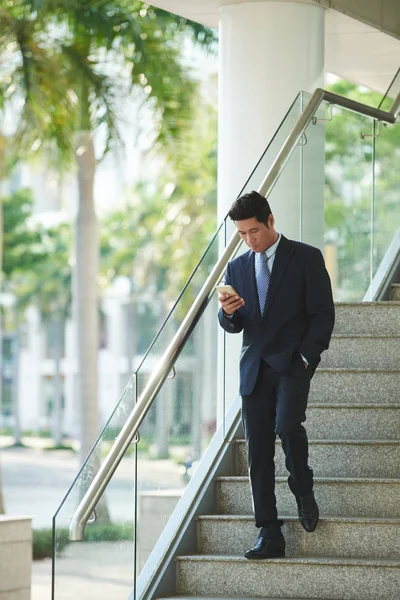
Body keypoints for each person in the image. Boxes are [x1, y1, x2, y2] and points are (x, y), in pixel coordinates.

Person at [218, 190, 335, 560]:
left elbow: (322, 315)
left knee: (287, 427)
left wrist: (305, 357)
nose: (249, 240)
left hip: (292, 363)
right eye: (241, 234)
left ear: (270, 221)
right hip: (254, 369)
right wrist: (229, 312)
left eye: (253, 231)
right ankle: (269, 534)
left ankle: (302, 486)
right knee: (258, 453)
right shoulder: (237, 268)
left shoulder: (306, 258)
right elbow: (234, 325)